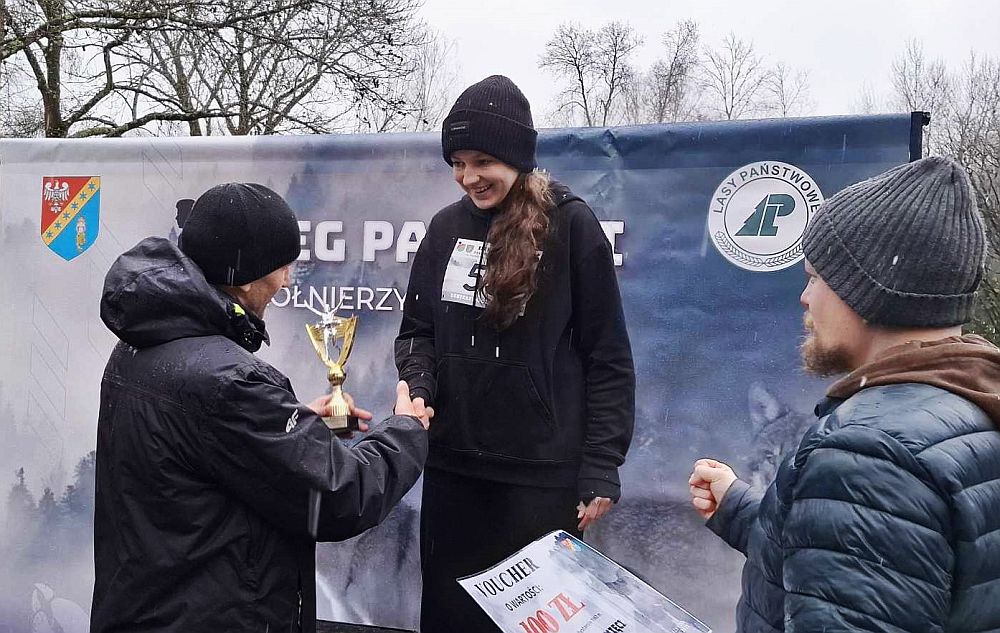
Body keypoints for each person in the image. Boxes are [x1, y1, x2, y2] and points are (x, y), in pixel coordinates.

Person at [92, 183, 431, 633]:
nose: (286, 281)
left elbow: (205, 449)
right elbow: (339, 495)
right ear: (247, 278)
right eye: (282, 267)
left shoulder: (140, 345)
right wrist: (407, 429)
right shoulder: (228, 381)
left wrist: (292, 427)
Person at [689, 156, 1000, 633]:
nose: (805, 297)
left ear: (867, 291)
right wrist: (740, 509)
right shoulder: (970, 406)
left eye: (815, 277)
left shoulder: (869, 454)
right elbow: (884, 565)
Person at [395, 75, 635, 631]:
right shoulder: (445, 228)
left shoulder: (572, 225)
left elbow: (608, 357)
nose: (469, 177)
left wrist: (601, 465)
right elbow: (416, 333)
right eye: (457, 163)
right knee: (452, 620)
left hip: (542, 480)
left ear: (518, 157)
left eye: (482, 161)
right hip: (453, 470)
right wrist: (420, 387)